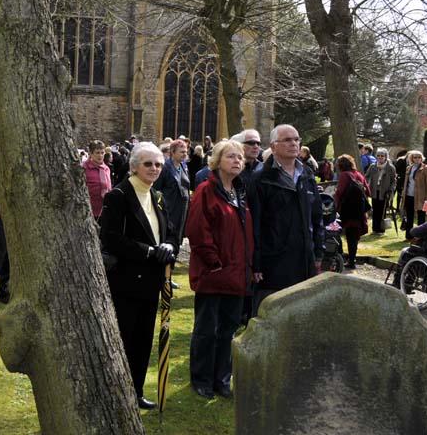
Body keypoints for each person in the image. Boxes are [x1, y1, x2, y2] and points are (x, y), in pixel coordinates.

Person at [99, 141, 178, 410]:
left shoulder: (157, 196)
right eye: (148, 164)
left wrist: (169, 245)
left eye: (158, 164)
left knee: (143, 340)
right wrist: (147, 251)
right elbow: (109, 238)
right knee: (125, 339)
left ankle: (136, 391)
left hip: (153, 282)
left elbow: (170, 231)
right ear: (134, 166)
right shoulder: (118, 196)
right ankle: (116, 394)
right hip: (126, 281)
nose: (154, 168)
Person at [185, 140, 253, 400]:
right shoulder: (205, 190)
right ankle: (201, 379)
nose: (236, 161)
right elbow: (197, 231)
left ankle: (222, 379)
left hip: (236, 275)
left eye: (239, 158)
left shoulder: (240, 192)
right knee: (207, 329)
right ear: (217, 161)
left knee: (228, 330)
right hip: (213, 274)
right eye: (230, 157)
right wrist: (214, 262)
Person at [249, 124, 324, 316]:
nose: (294, 144)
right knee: (274, 317)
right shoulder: (261, 178)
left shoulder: (307, 175)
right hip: (273, 262)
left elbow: (316, 218)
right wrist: (255, 262)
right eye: (287, 140)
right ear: (273, 147)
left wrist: (317, 253)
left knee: (302, 315)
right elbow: (254, 223)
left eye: (296, 139)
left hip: (304, 260)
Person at [333, 154, 370, 270]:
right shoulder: (358, 175)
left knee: (336, 233)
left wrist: (334, 205)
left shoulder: (344, 175)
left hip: (348, 210)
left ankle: (344, 258)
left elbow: (339, 193)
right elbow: (368, 191)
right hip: (359, 210)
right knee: (354, 237)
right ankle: (352, 259)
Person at [153, 139, 190, 241]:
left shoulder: (183, 166)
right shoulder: (165, 168)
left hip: (181, 212)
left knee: (177, 240)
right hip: (169, 212)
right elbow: (155, 189)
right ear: (173, 152)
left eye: (186, 152)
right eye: (182, 152)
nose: (185, 154)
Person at [365, 148, 397, 236]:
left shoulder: (390, 167)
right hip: (375, 191)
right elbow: (366, 176)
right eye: (378, 156)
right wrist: (368, 185)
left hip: (385, 192)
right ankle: (375, 229)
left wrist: (390, 190)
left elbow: (394, 180)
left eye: (382, 156)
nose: (380, 157)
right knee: (375, 210)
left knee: (382, 211)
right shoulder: (372, 166)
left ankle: (381, 230)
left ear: (386, 157)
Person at [399, 150, 427, 239]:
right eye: (415, 157)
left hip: (421, 197)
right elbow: (406, 182)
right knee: (409, 216)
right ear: (411, 158)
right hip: (409, 195)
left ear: (422, 158)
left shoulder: (426, 169)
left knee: (421, 217)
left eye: (419, 157)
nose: (417, 159)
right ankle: (409, 236)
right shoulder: (409, 168)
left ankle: (421, 237)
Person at [83, 140, 112, 221]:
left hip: (105, 210)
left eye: (102, 153)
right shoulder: (84, 167)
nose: (100, 155)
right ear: (91, 154)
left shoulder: (106, 168)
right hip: (90, 212)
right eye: (97, 152)